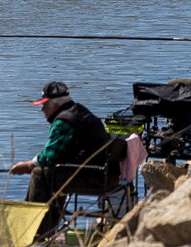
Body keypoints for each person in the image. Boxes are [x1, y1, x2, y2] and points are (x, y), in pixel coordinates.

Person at [9, 81, 117, 241]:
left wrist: (26, 166)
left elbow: (50, 156)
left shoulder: (64, 121)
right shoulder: (79, 111)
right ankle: (46, 231)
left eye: (44, 105)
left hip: (93, 178)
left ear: (54, 105)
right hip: (107, 176)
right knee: (50, 172)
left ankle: (34, 231)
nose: (42, 109)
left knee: (40, 174)